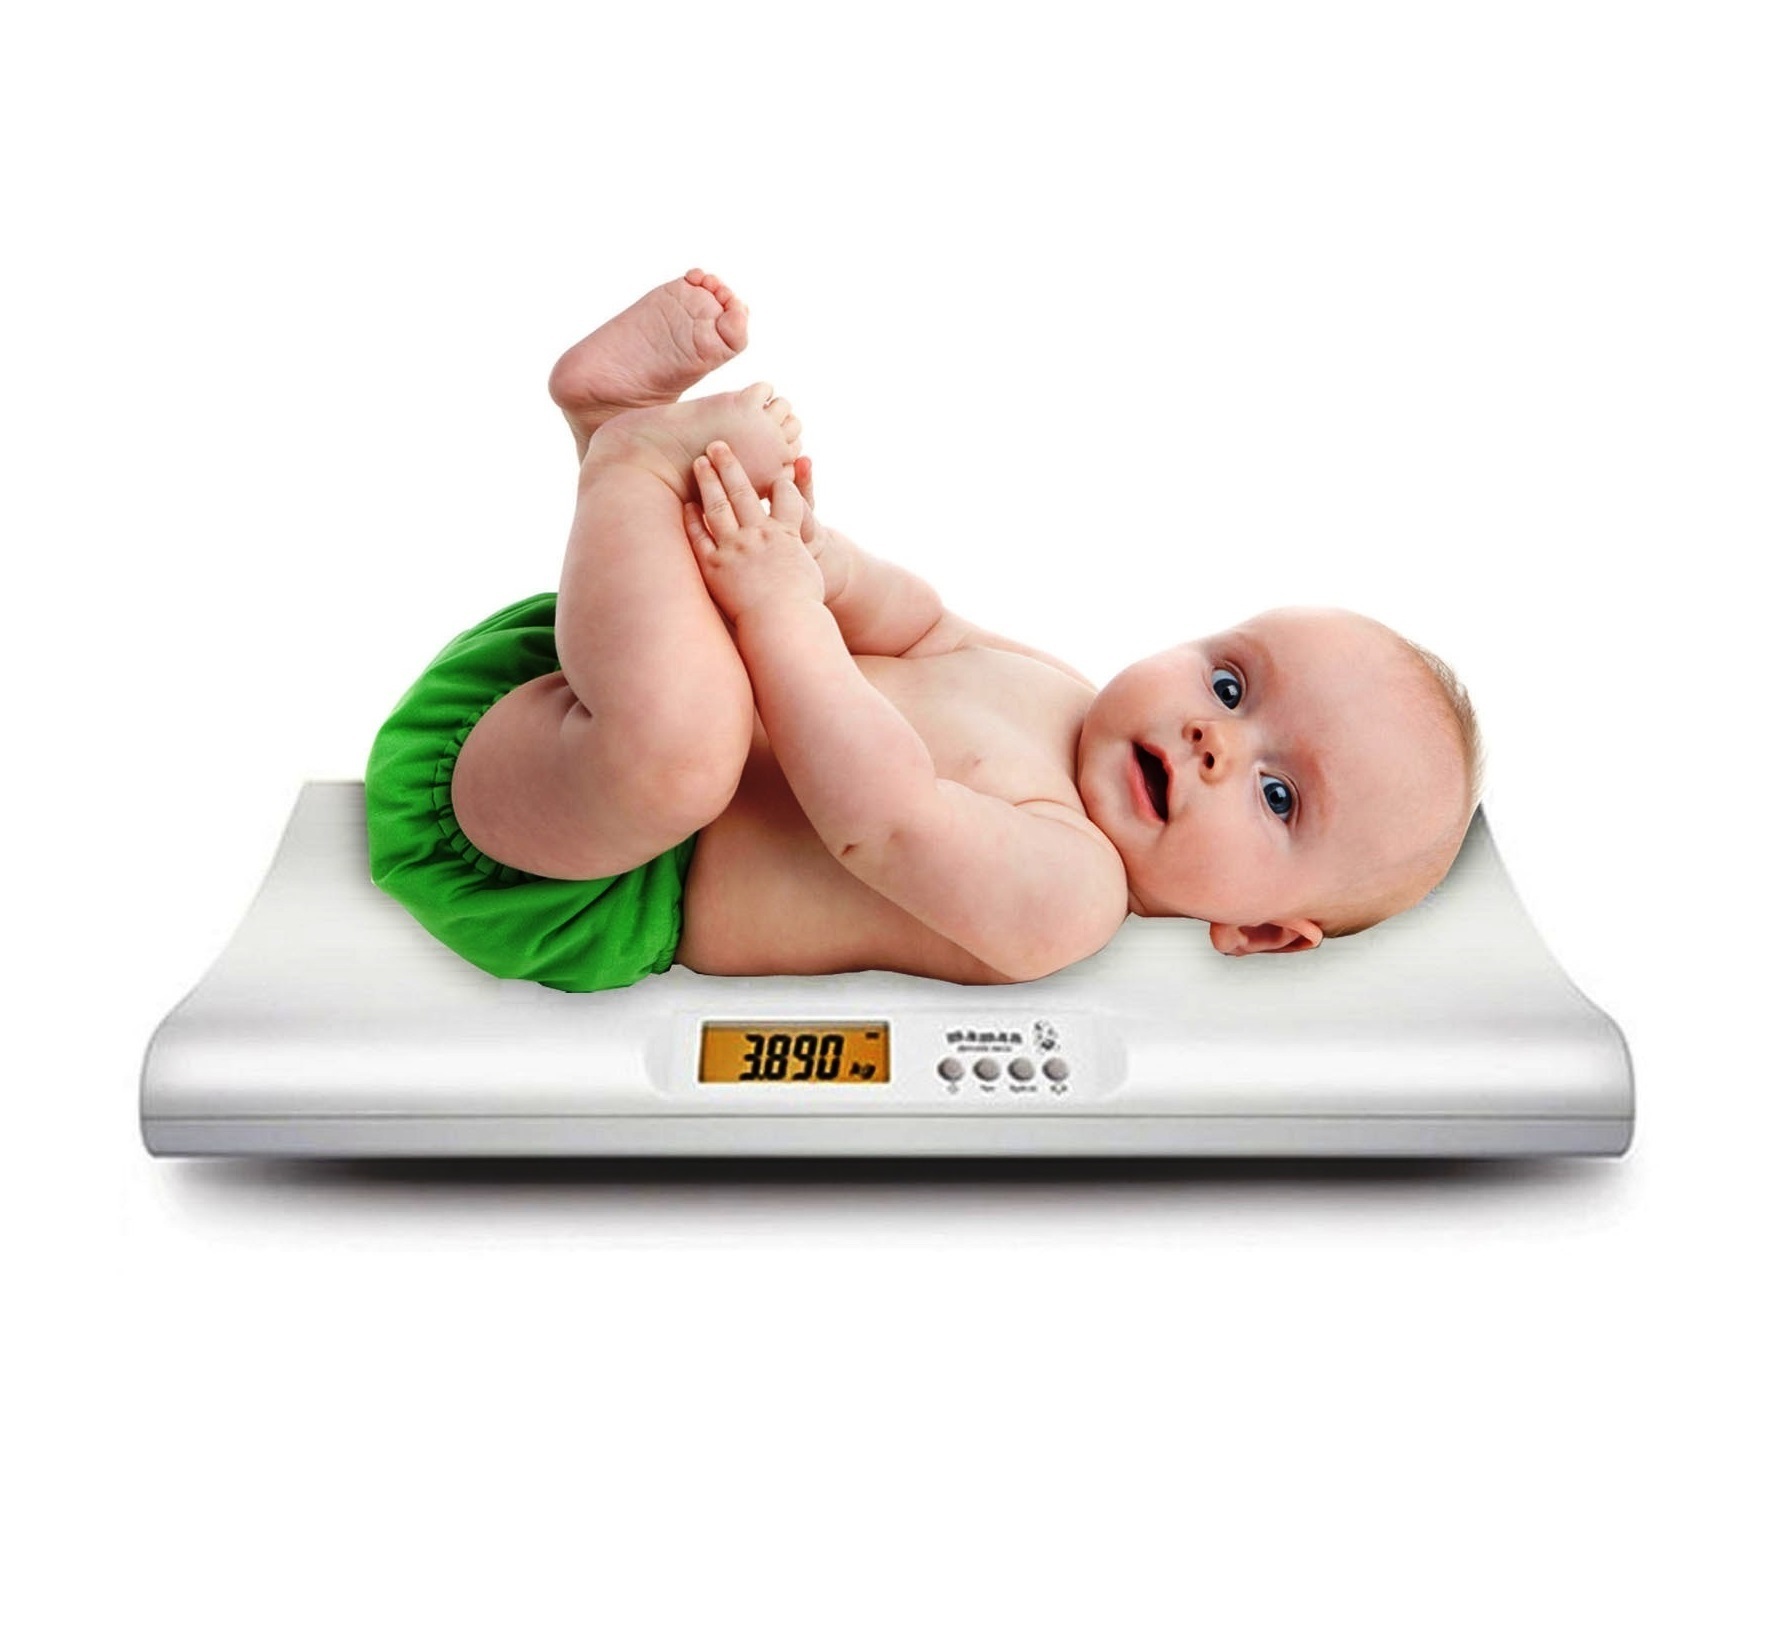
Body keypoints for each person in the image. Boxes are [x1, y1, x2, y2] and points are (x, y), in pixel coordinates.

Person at [365, 270, 1483, 994]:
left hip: (587, 862)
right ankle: (619, 432)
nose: (1215, 741)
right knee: (693, 705)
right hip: (589, 698)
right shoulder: (1059, 692)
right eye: (1231, 686)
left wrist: (781, 610)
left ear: (1262, 932)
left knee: (688, 752)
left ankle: (625, 451)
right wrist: (821, 564)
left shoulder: (1072, 895)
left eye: (1278, 797)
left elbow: (884, 817)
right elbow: (921, 624)